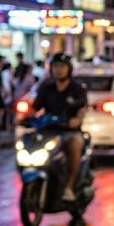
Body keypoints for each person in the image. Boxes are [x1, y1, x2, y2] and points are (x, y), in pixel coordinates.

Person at [32, 54, 88, 202]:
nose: (58, 70)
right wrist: (22, 119)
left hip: (69, 131)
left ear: (68, 69)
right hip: (49, 131)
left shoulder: (76, 88)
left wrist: (77, 119)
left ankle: (69, 187)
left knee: (74, 146)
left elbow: (82, 108)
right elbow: (35, 107)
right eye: (55, 66)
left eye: (62, 67)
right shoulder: (46, 87)